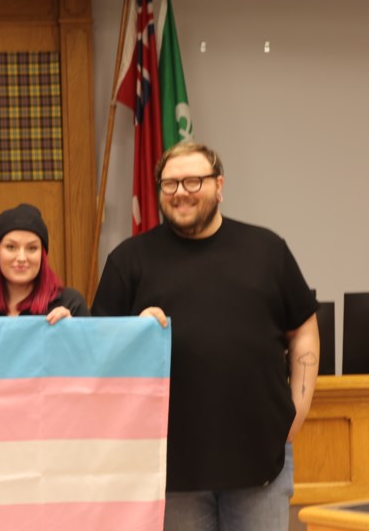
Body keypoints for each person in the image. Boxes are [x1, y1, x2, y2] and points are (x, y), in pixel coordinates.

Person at [92, 141, 320, 531]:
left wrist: (297, 409)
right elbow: (100, 350)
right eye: (170, 183)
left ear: (219, 185)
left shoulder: (267, 250)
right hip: (171, 468)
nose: (181, 192)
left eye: (193, 181)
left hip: (259, 461)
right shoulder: (128, 261)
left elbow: (303, 327)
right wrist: (132, 332)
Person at [0, 203, 89, 322]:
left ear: (42, 256)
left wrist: (73, 331)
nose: (22, 258)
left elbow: (90, 345)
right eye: (11, 247)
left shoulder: (70, 305)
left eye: (32, 248)